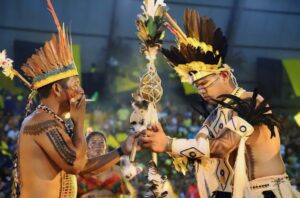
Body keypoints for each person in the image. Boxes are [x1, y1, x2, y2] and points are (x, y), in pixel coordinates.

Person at [140, 9, 299, 198]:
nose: (201, 91)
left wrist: (169, 144)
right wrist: (161, 140)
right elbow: (200, 149)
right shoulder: (214, 116)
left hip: (266, 192)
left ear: (223, 75)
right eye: (197, 86)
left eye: (205, 83)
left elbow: (222, 147)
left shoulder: (251, 101)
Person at [0, 1, 137, 197]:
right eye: (74, 84)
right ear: (56, 88)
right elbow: (75, 164)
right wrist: (79, 120)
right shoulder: (40, 123)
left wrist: (123, 149)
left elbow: (85, 166)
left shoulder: (56, 122)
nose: (80, 90)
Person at [78, 131, 136, 197]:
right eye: (93, 143)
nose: (98, 146)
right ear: (86, 148)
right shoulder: (78, 172)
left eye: (101, 143)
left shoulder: (117, 171)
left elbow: (131, 194)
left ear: (106, 148)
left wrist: (105, 194)